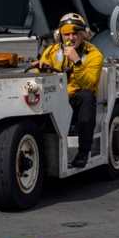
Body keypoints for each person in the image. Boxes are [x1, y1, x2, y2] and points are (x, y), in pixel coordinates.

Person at [31, 13, 104, 168]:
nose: (71, 37)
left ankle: (84, 152)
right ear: (59, 36)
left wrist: (76, 61)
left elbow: (88, 84)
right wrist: (41, 70)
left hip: (76, 104)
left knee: (87, 96)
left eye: (75, 33)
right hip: (56, 100)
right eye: (67, 34)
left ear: (84, 34)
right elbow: (38, 80)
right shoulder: (51, 51)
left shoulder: (94, 54)